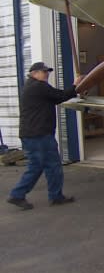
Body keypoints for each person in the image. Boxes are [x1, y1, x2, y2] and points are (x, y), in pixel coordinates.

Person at [7, 62, 83, 210]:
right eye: (44, 71)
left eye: (47, 71)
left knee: (47, 166)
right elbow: (60, 96)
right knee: (44, 166)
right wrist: (76, 85)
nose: (47, 74)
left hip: (33, 134)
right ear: (34, 73)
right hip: (39, 135)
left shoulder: (30, 87)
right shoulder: (38, 87)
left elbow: (55, 97)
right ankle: (18, 194)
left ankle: (54, 196)